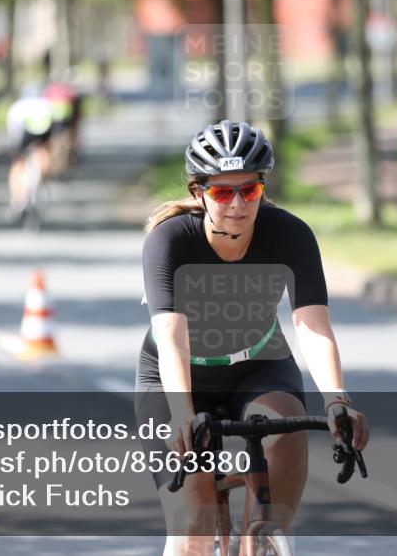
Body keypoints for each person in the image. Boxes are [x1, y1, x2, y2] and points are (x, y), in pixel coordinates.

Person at [135, 119, 369, 555]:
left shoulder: (290, 234)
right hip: (179, 376)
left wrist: (337, 400)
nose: (238, 204)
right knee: (195, 531)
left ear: (262, 187)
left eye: (250, 190)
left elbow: (312, 325)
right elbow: (171, 339)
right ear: (198, 193)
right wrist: (182, 415)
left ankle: (260, 541)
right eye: (223, 192)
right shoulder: (170, 242)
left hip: (258, 365)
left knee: (286, 434)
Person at [5, 85, 55, 218]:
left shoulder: (17, 106)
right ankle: (42, 180)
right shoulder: (46, 104)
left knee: (18, 164)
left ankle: (17, 199)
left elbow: (12, 131)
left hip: (22, 132)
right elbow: (52, 129)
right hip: (41, 132)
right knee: (45, 154)